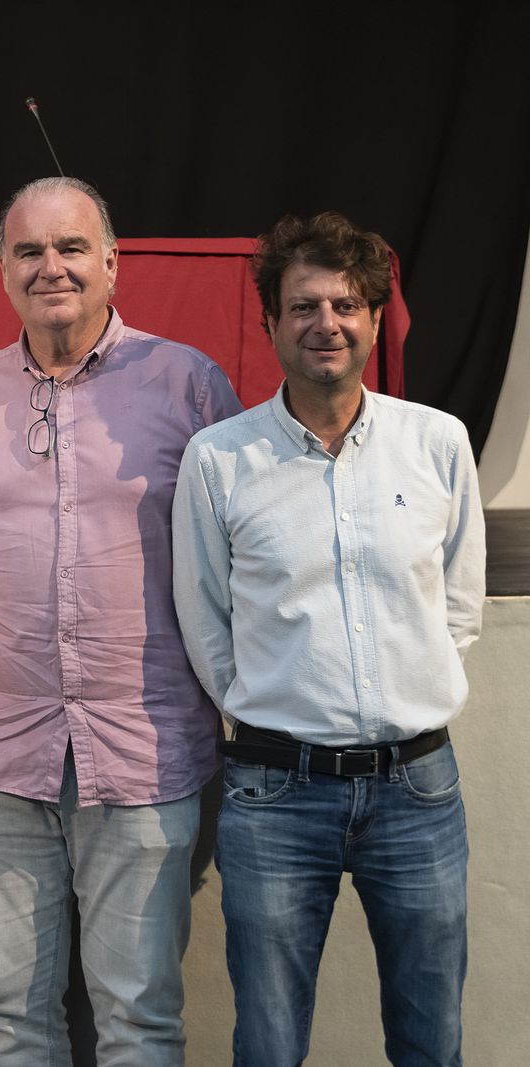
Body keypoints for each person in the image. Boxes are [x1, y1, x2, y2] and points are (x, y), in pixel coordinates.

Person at [0, 176, 242, 1066]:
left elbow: (243, 558)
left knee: (138, 1020)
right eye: (29, 251)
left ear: (112, 263)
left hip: (146, 751)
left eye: (71, 247)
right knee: (12, 1019)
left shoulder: (190, 385)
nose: (51, 266)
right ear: (3, 270)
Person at [173, 211, 485, 1067]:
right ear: (270, 321)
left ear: (376, 319)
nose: (327, 323)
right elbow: (205, 621)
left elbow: (459, 607)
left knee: (432, 1040)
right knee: (269, 1044)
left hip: (418, 789)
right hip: (275, 791)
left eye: (346, 304)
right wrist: (273, 712)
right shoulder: (218, 460)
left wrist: (410, 685)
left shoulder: (438, 444)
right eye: (304, 305)